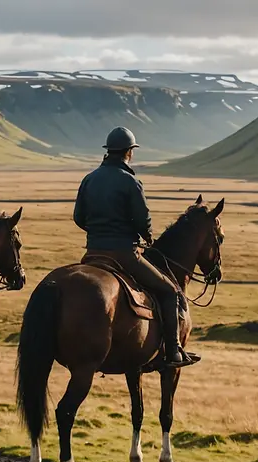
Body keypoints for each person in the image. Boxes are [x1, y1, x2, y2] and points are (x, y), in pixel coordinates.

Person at [73, 127, 197, 372]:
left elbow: (79, 217)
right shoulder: (130, 181)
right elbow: (142, 220)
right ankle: (173, 350)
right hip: (124, 254)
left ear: (109, 151)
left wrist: (98, 232)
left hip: (93, 254)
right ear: (129, 152)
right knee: (170, 291)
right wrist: (146, 236)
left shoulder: (89, 179)